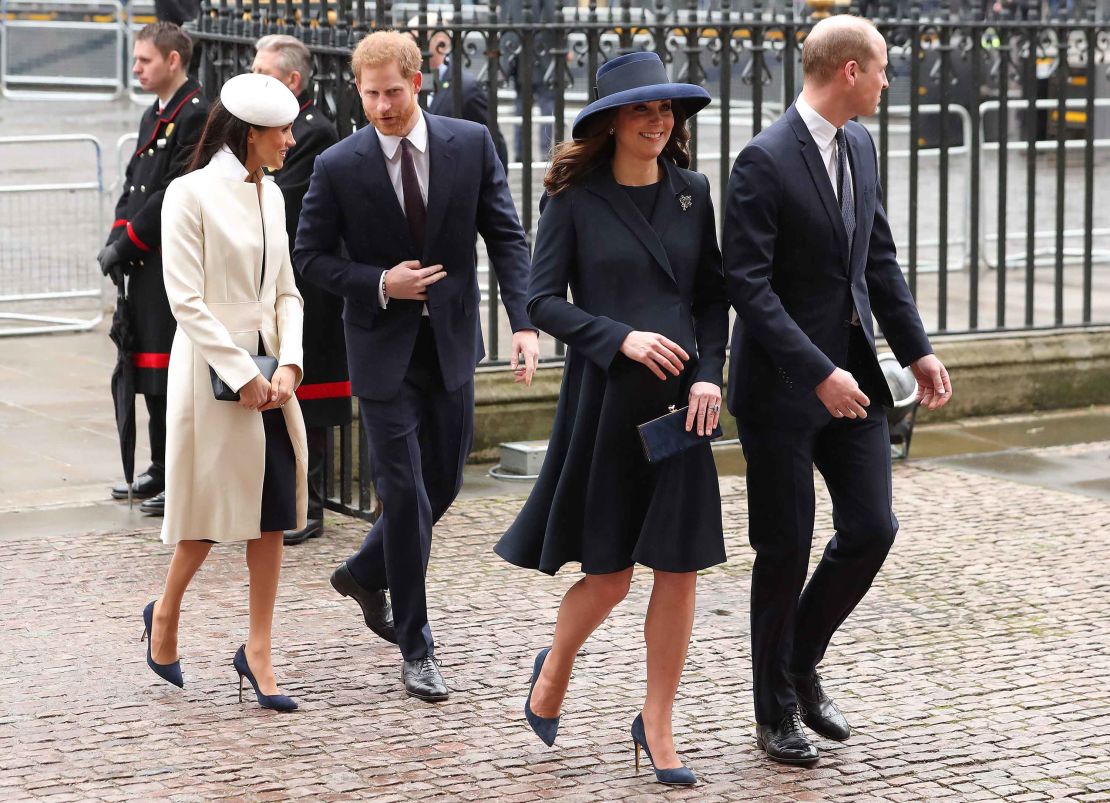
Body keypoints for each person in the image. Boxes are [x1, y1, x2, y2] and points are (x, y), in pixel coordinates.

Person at [722, 15, 952, 766]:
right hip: (784, 389)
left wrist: (915, 351)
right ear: (849, 71)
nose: (890, 80)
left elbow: (876, 260)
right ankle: (774, 711)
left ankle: (800, 657)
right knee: (783, 547)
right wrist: (817, 370)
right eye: (883, 68)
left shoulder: (860, 142)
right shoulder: (762, 160)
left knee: (873, 527)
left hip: (855, 381)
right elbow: (748, 289)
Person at [494, 52, 728, 787]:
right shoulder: (572, 198)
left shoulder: (693, 192)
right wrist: (619, 335)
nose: (659, 122)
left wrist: (712, 374)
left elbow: (715, 300)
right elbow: (541, 301)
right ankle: (555, 663)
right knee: (611, 576)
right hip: (608, 407)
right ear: (611, 122)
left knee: (680, 569)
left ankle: (656, 722)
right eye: (642, 110)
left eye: (666, 112)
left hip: (683, 408)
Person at [294, 31, 538, 702]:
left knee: (443, 486)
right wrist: (380, 282)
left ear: (418, 82)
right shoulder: (340, 164)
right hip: (380, 350)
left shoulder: (470, 144)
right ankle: (416, 643)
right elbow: (309, 256)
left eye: (392, 93)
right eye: (369, 95)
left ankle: (364, 572)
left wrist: (523, 322)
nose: (381, 108)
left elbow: (507, 236)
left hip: (452, 344)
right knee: (403, 495)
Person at [140, 73, 308, 713]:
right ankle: (165, 616)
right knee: (208, 518)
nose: (291, 141)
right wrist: (243, 374)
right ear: (249, 134)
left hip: (271, 372)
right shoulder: (188, 194)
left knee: (270, 516)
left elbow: (287, 291)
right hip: (213, 374)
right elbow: (184, 300)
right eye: (281, 132)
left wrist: (289, 363)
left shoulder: (273, 196)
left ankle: (258, 651)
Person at [98, 22, 208, 516]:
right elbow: (135, 183)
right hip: (143, 262)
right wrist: (115, 238)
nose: (136, 68)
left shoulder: (196, 114)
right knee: (147, 371)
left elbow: (173, 192)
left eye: (144, 61)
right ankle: (160, 466)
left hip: (170, 259)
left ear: (173, 61)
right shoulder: (153, 114)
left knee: (171, 376)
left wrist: (130, 241)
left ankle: (179, 475)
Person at [252, 34, 346, 547]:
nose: (252, 78)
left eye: (264, 72)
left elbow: (284, 198)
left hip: (309, 276)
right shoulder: (267, 128)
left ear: (292, 80)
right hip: (275, 274)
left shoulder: (314, 130)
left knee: (310, 394)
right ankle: (283, 495)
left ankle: (311, 502)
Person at [413, 15, 509, 169]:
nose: (411, 48)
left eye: (417, 41)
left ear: (441, 43)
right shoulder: (403, 85)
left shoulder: (466, 87)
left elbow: (493, 146)